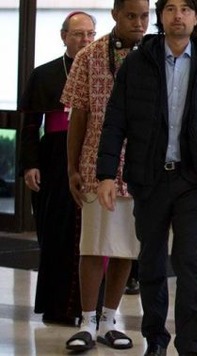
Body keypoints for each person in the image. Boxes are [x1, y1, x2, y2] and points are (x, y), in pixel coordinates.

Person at [96, 1, 197, 354]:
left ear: (196, 17)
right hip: (150, 178)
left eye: (186, 9)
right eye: (171, 8)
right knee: (151, 261)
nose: (178, 15)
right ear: (161, 16)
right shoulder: (139, 61)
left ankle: (190, 346)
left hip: (194, 180)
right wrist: (105, 174)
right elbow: (116, 120)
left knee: (190, 262)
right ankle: (155, 339)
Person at [62, 0, 149, 352]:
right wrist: (71, 167)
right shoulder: (89, 56)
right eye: (131, 16)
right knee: (94, 246)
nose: (139, 23)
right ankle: (86, 321)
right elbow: (78, 115)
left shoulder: (155, 56)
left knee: (125, 248)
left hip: (139, 166)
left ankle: (110, 320)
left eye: (145, 16)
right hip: (95, 164)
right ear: (115, 15)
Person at [19, 11, 96, 327]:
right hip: (53, 161)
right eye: (78, 34)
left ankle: (89, 307)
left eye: (91, 34)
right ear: (64, 36)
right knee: (57, 235)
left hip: (90, 158)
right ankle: (57, 307)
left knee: (92, 237)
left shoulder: (103, 72)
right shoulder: (44, 74)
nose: (85, 40)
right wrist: (30, 164)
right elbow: (30, 125)